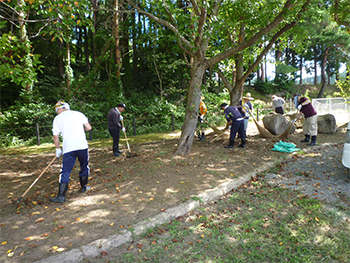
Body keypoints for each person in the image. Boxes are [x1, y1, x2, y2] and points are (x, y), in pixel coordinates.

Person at [51, 101, 92, 203]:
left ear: (59, 109)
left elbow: (55, 136)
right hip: (82, 145)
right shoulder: (79, 114)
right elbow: (89, 127)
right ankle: (84, 187)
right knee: (84, 166)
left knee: (65, 171)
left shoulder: (58, 118)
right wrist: (81, 129)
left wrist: (57, 148)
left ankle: (61, 196)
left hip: (69, 148)